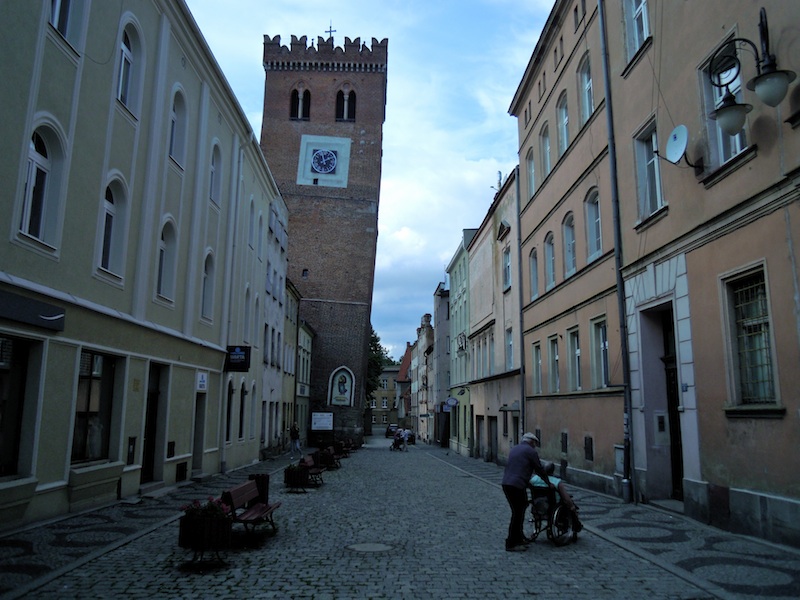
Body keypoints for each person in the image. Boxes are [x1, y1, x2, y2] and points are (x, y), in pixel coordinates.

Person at [501, 432, 553, 551]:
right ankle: (511, 543)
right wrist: (548, 483)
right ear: (531, 442)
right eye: (535, 443)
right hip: (517, 485)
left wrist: (527, 482)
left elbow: (517, 468)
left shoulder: (515, 449)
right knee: (517, 513)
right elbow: (539, 469)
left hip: (507, 483)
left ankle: (519, 537)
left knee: (521, 508)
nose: (535, 446)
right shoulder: (531, 451)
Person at [530, 461, 582, 532]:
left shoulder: (534, 479)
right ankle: (575, 525)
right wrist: (572, 506)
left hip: (537, 504)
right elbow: (565, 497)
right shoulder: (556, 482)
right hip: (553, 505)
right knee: (570, 504)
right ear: (553, 471)